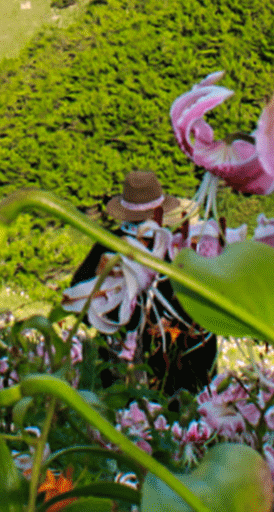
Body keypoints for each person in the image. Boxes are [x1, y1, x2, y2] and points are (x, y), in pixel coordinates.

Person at [69, 169, 218, 397]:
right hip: (169, 348)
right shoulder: (173, 245)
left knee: (123, 410)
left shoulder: (108, 243)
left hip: (123, 348)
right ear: (160, 211)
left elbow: (78, 293)